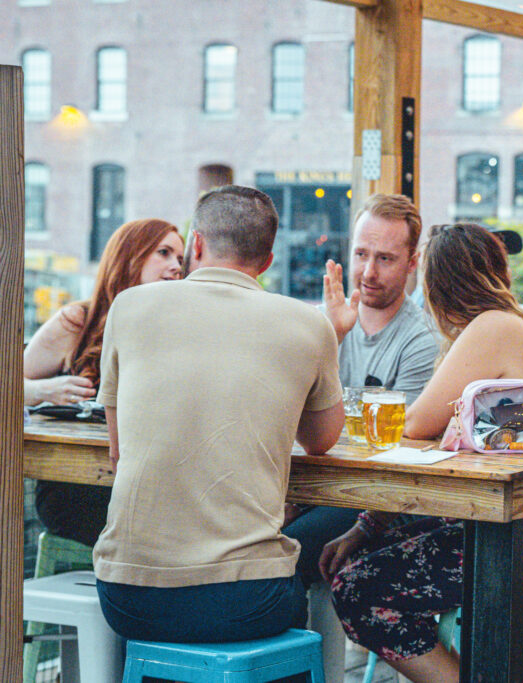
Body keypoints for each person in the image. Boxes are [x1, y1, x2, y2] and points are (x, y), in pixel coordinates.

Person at [319, 223, 523, 683]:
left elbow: (412, 425)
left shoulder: (494, 328)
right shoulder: (512, 324)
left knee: (357, 587)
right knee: (362, 565)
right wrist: (368, 526)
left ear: (436, 286)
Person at [93, 185, 348, 644]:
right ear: (268, 261)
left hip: (127, 595)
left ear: (196, 244)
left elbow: (117, 451)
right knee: (309, 563)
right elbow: (321, 441)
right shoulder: (310, 323)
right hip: (244, 599)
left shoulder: (128, 306)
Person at [283, 193, 440, 588]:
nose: (368, 272)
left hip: (375, 499)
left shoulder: (420, 339)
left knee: (286, 551)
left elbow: (395, 451)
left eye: (385, 258)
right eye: (360, 254)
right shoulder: (318, 323)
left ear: (412, 263)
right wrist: (333, 335)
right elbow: (285, 418)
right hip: (305, 487)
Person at [23, 218, 184, 547]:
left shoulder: (175, 330)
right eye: (164, 253)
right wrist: (41, 391)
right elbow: (9, 383)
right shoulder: (77, 321)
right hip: (76, 489)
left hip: (148, 484)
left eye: (181, 259)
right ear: (129, 256)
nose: (176, 267)